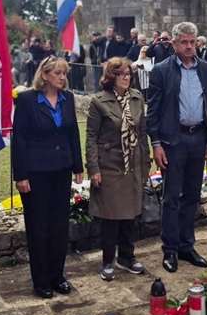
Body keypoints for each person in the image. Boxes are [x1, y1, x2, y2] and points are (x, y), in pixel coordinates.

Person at [11, 57, 84, 299]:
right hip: (36, 173)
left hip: (61, 170)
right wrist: (20, 174)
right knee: (39, 227)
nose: (63, 78)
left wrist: (77, 166)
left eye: (65, 73)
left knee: (59, 226)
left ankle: (58, 276)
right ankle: (41, 280)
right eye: (58, 73)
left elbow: (73, 133)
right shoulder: (27, 100)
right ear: (45, 75)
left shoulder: (68, 98)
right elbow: (19, 139)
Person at [146, 21, 207, 273]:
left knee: (192, 196)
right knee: (171, 197)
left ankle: (187, 245)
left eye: (192, 42)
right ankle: (170, 249)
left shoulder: (206, 69)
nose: (189, 47)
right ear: (174, 44)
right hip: (172, 141)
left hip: (197, 138)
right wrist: (156, 144)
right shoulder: (161, 71)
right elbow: (152, 110)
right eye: (184, 42)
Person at [87, 57, 150, 282]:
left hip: (133, 164)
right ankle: (107, 261)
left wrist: (146, 162)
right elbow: (91, 137)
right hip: (110, 165)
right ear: (111, 77)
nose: (126, 77)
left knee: (130, 214)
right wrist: (93, 168)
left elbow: (142, 133)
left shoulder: (137, 97)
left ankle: (127, 256)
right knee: (111, 217)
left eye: (128, 73)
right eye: (121, 73)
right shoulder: (99, 101)